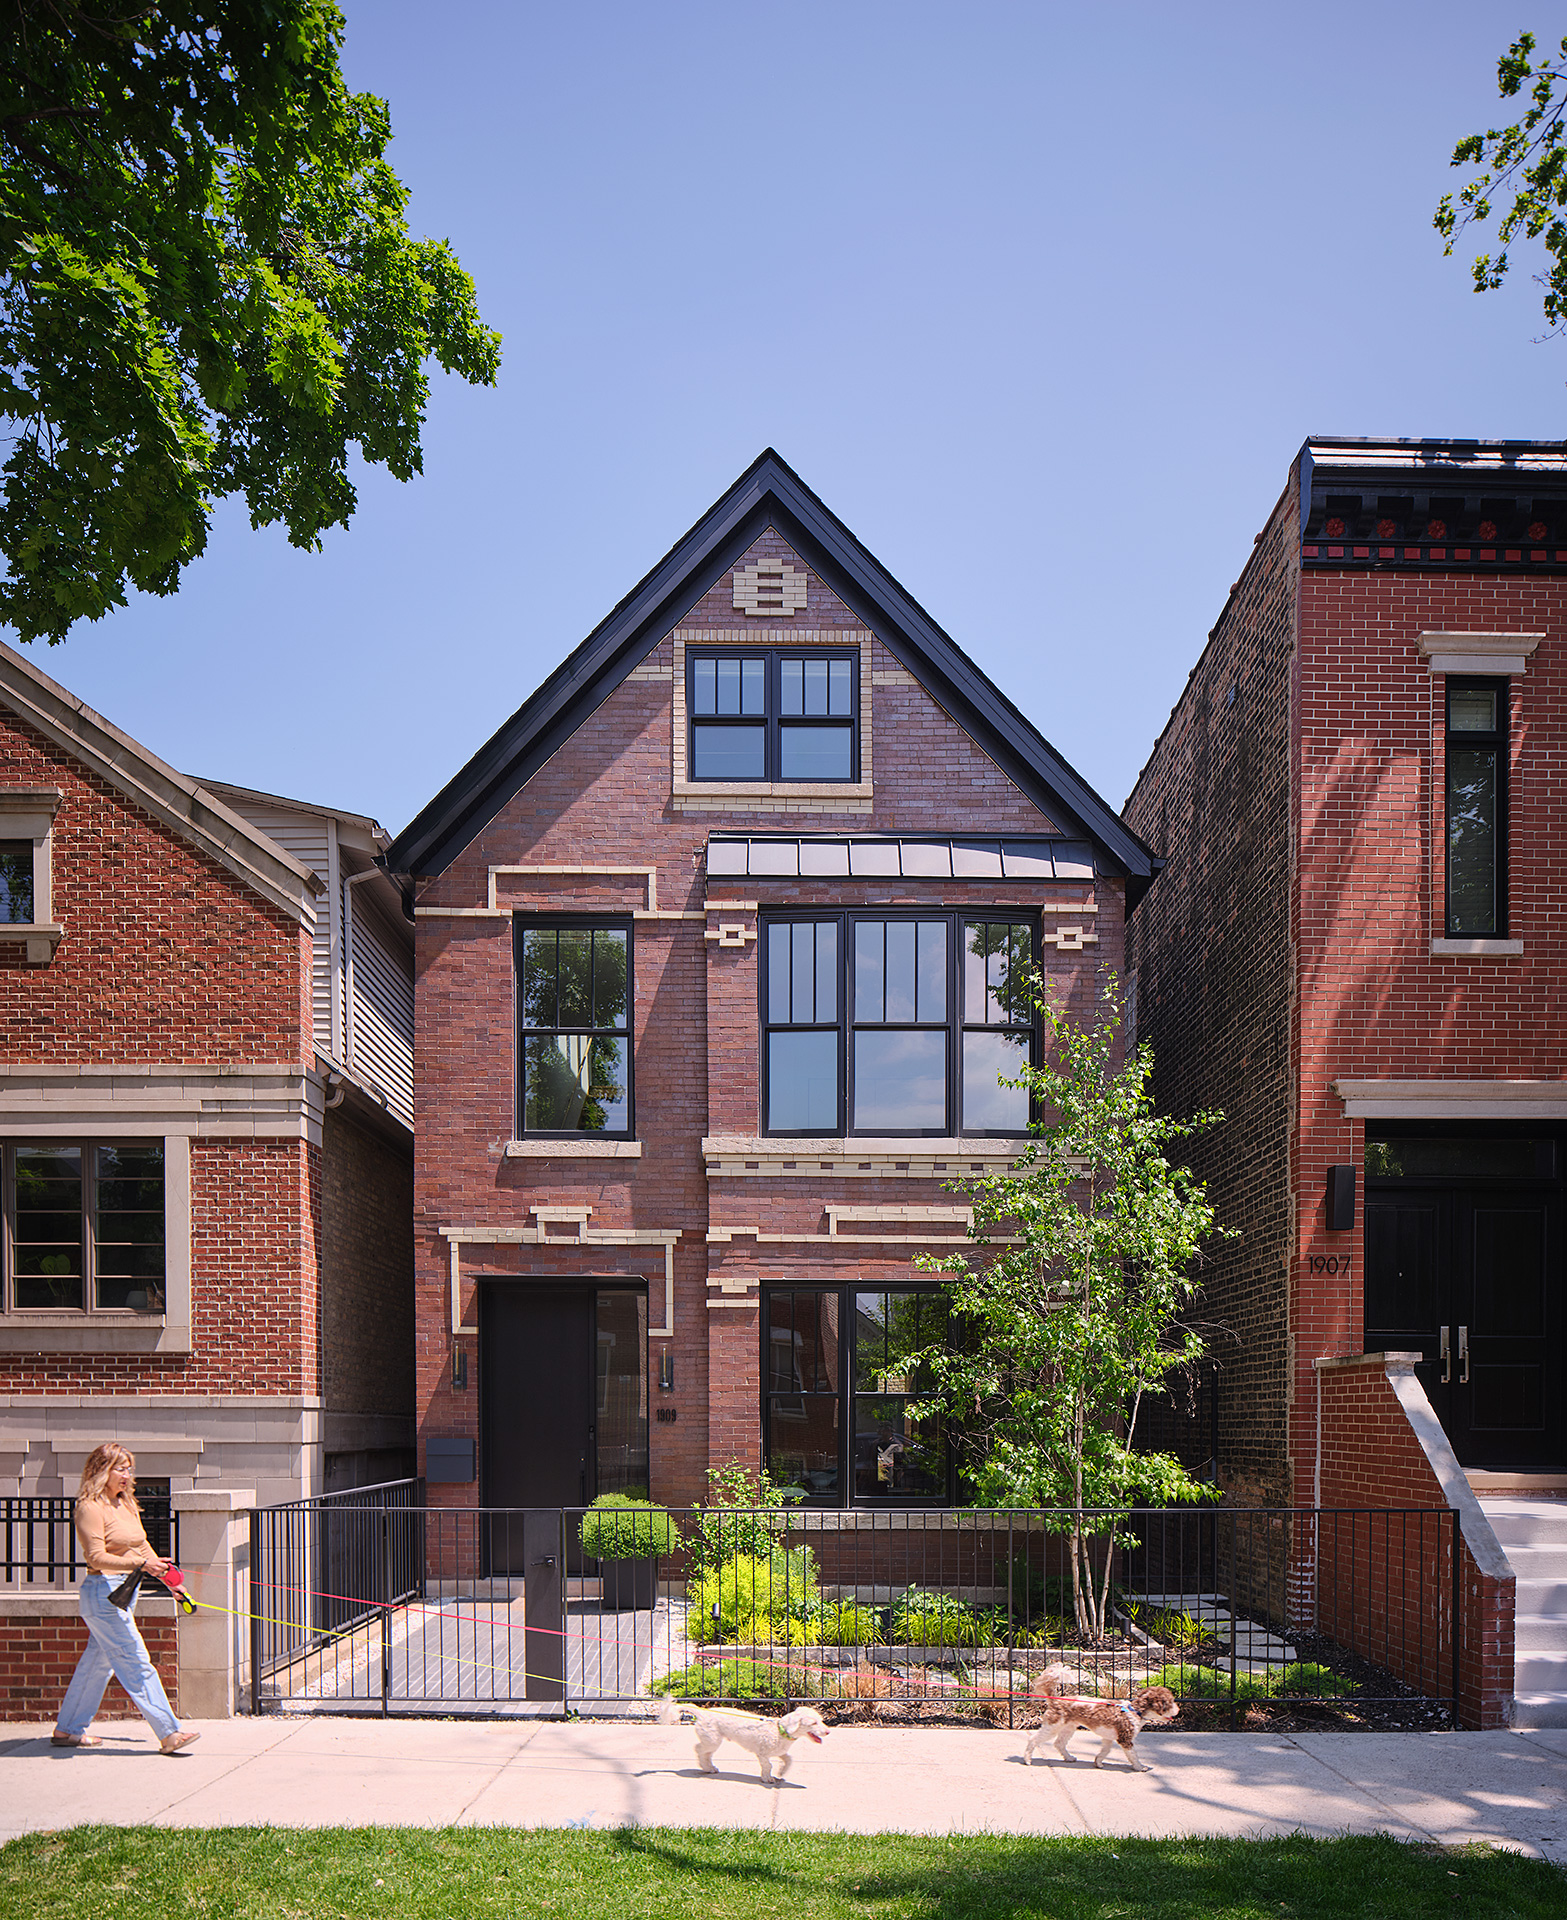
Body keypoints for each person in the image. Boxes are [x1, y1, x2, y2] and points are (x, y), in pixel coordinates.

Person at [52, 1442, 199, 1753]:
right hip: (102, 1594)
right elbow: (96, 1557)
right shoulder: (90, 1508)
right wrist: (140, 1564)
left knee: (97, 1665)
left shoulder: (126, 1504)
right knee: (136, 1661)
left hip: (123, 1592)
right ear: (101, 1470)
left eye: (129, 1469)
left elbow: (142, 1546)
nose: (127, 1475)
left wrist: (171, 1581)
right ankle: (170, 1732)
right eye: (120, 1468)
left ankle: (67, 1730)